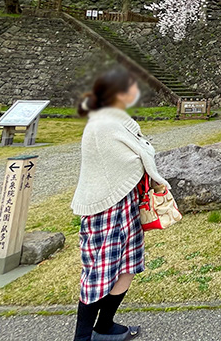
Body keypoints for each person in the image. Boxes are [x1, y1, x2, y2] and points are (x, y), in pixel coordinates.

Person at [72, 68, 171, 341]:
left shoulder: (118, 120)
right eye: (130, 87)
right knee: (99, 274)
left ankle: (105, 325)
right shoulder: (102, 124)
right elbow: (134, 158)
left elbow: (140, 152)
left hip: (126, 205)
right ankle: (82, 337)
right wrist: (146, 156)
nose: (135, 92)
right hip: (105, 208)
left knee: (128, 265)